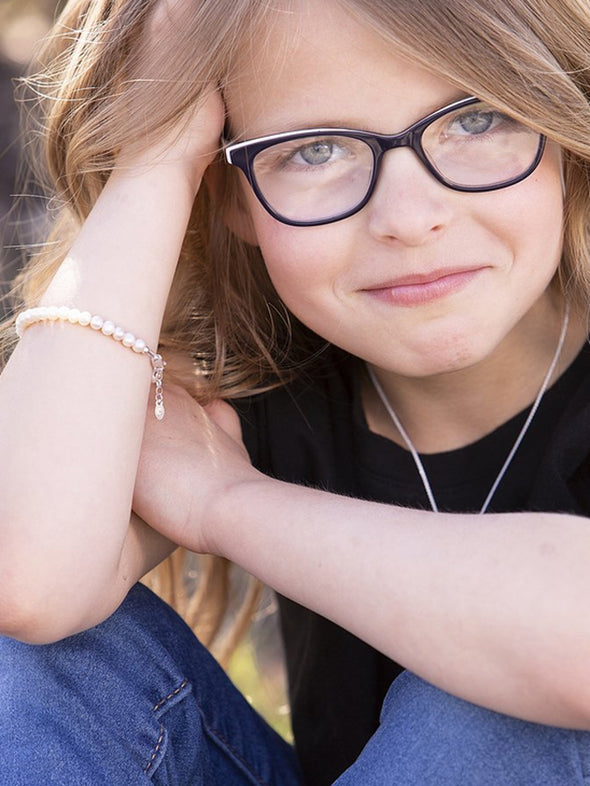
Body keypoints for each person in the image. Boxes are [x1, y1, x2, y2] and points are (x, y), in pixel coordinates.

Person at [1, 0, 590, 783]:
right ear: (233, 196)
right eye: (314, 150)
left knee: (491, 707)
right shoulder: (252, 375)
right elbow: (27, 580)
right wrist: (154, 160)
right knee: (33, 661)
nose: (410, 219)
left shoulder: (216, 467)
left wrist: (227, 504)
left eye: (477, 120)